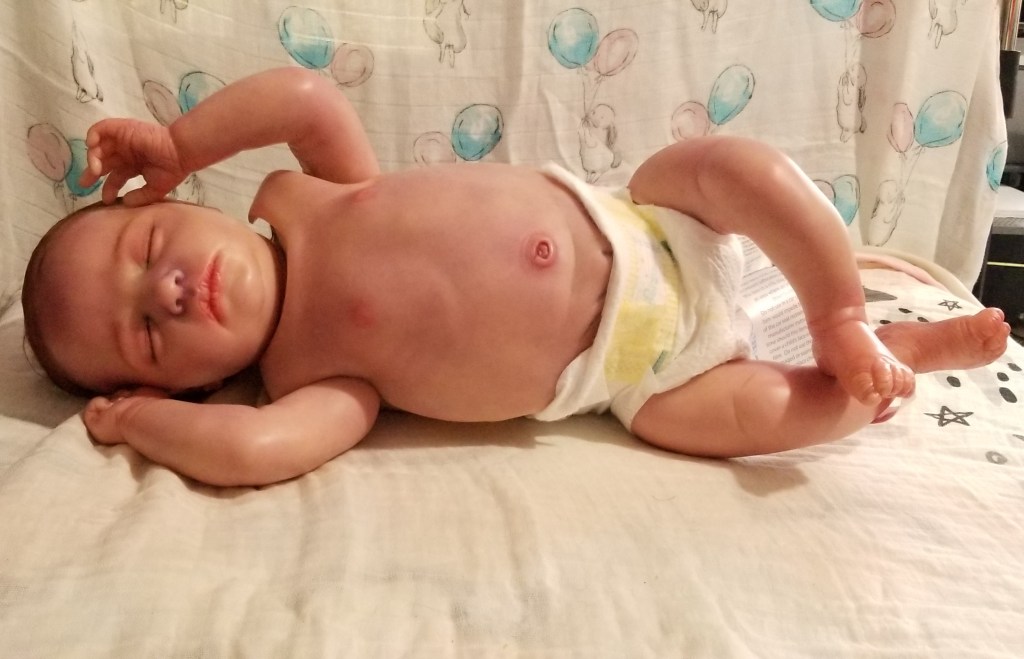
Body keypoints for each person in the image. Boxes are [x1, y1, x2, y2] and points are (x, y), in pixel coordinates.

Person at [21, 67, 1010, 487]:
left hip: (653, 224)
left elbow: (304, 95)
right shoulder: (318, 379)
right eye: (147, 332)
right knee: (756, 422)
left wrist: (181, 140)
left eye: (147, 251)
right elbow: (255, 449)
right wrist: (140, 424)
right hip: (643, 377)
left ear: (181, 202)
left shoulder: (314, 193)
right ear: (187, 383)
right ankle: (890, 360)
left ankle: (837, 309)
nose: (168, 291)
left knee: (728, 167)